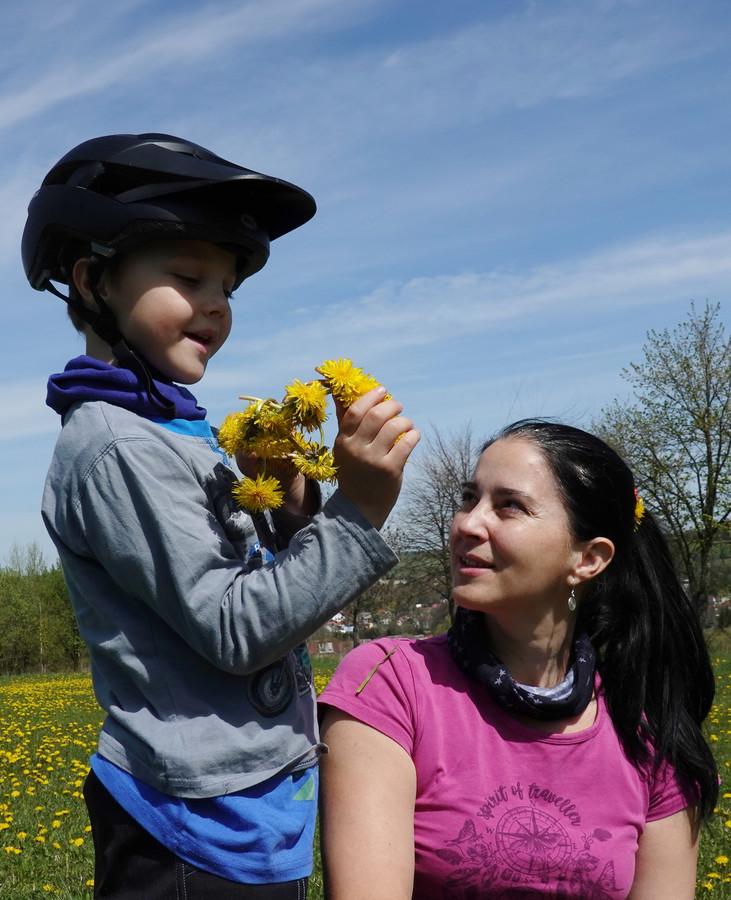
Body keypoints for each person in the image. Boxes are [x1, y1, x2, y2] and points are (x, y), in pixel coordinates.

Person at [22, 132, 420, 899]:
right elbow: (235, 627)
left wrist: (290, 506)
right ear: (92, 280)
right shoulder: (117, 445)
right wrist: (360, 510)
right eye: (187, 276)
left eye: (228, 288)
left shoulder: (171, 427)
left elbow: (255, 585)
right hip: (189, 828)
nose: (215, 304)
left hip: (242, 812)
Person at [318, 419, 717, 900]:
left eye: (510, 505)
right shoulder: (389, 683)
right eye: (469, 498)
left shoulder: (647, 734)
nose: (467, 523)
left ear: (588, 559)